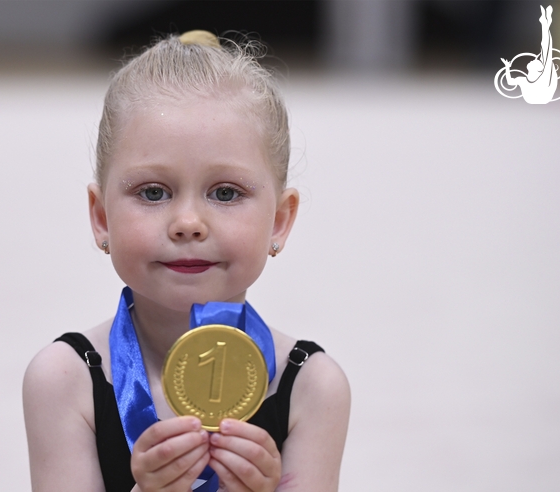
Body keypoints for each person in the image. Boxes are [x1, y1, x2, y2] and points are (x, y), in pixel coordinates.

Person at [23, 30, 351, 492]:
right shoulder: (63, 379)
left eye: (225, 193)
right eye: (153, 193)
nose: (189, 223)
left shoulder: (313, 387)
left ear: (279, 220)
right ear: (101, 218)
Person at [501, 5, 557, 104]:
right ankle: (545, 24)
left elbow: (546, 49)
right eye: (537, 60)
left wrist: (545, 26)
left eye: (536, 61)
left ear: (539, 69)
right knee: (545, 50)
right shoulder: (523, 80)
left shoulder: (543, 78)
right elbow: (510, 82)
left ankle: (545, 24)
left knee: (546, 50)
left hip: (541, 98)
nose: (534, 59)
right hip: (535, 100)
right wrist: (507, 67)